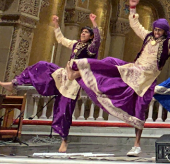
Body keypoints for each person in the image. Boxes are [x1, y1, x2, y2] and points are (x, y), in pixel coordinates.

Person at [71, 0, 170, 157]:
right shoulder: (148, 37)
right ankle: (83, 70)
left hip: (145, 82)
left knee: (139, 110)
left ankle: (136, 145)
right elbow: (136, 26)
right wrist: (132, 8)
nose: (156, 32)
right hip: (134, 71)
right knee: (109, 62)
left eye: (159, 31)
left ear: (164, 31)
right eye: (155, 29)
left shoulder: (168, 43)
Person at [0, 14, 100, 153]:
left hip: (74, 81)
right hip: (63, 74)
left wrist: (94, 23)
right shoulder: (76, 44)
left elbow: (98, 40)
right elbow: (60, 39)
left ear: (90, 36)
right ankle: (14, 83)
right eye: (82, 31)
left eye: (86, 32)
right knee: (41, 66)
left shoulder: (90, 48)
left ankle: (64, 140)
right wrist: (56, 24)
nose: (83, 33)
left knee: (63, 111)